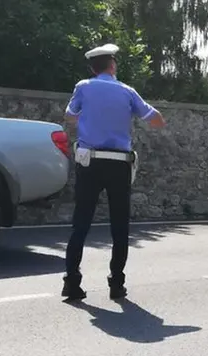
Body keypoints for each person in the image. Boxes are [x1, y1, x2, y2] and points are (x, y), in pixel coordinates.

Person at [61, 43, 166, 301]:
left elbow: (69, 116)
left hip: (89, 162)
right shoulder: (127, 91)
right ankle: (116, 284)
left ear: (92, 68)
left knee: (81, 223)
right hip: (119, 163)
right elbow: (156, 120)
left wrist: (89, 118)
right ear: (113, 66)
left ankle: (72, 283)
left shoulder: (83, 87)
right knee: (119, 226)